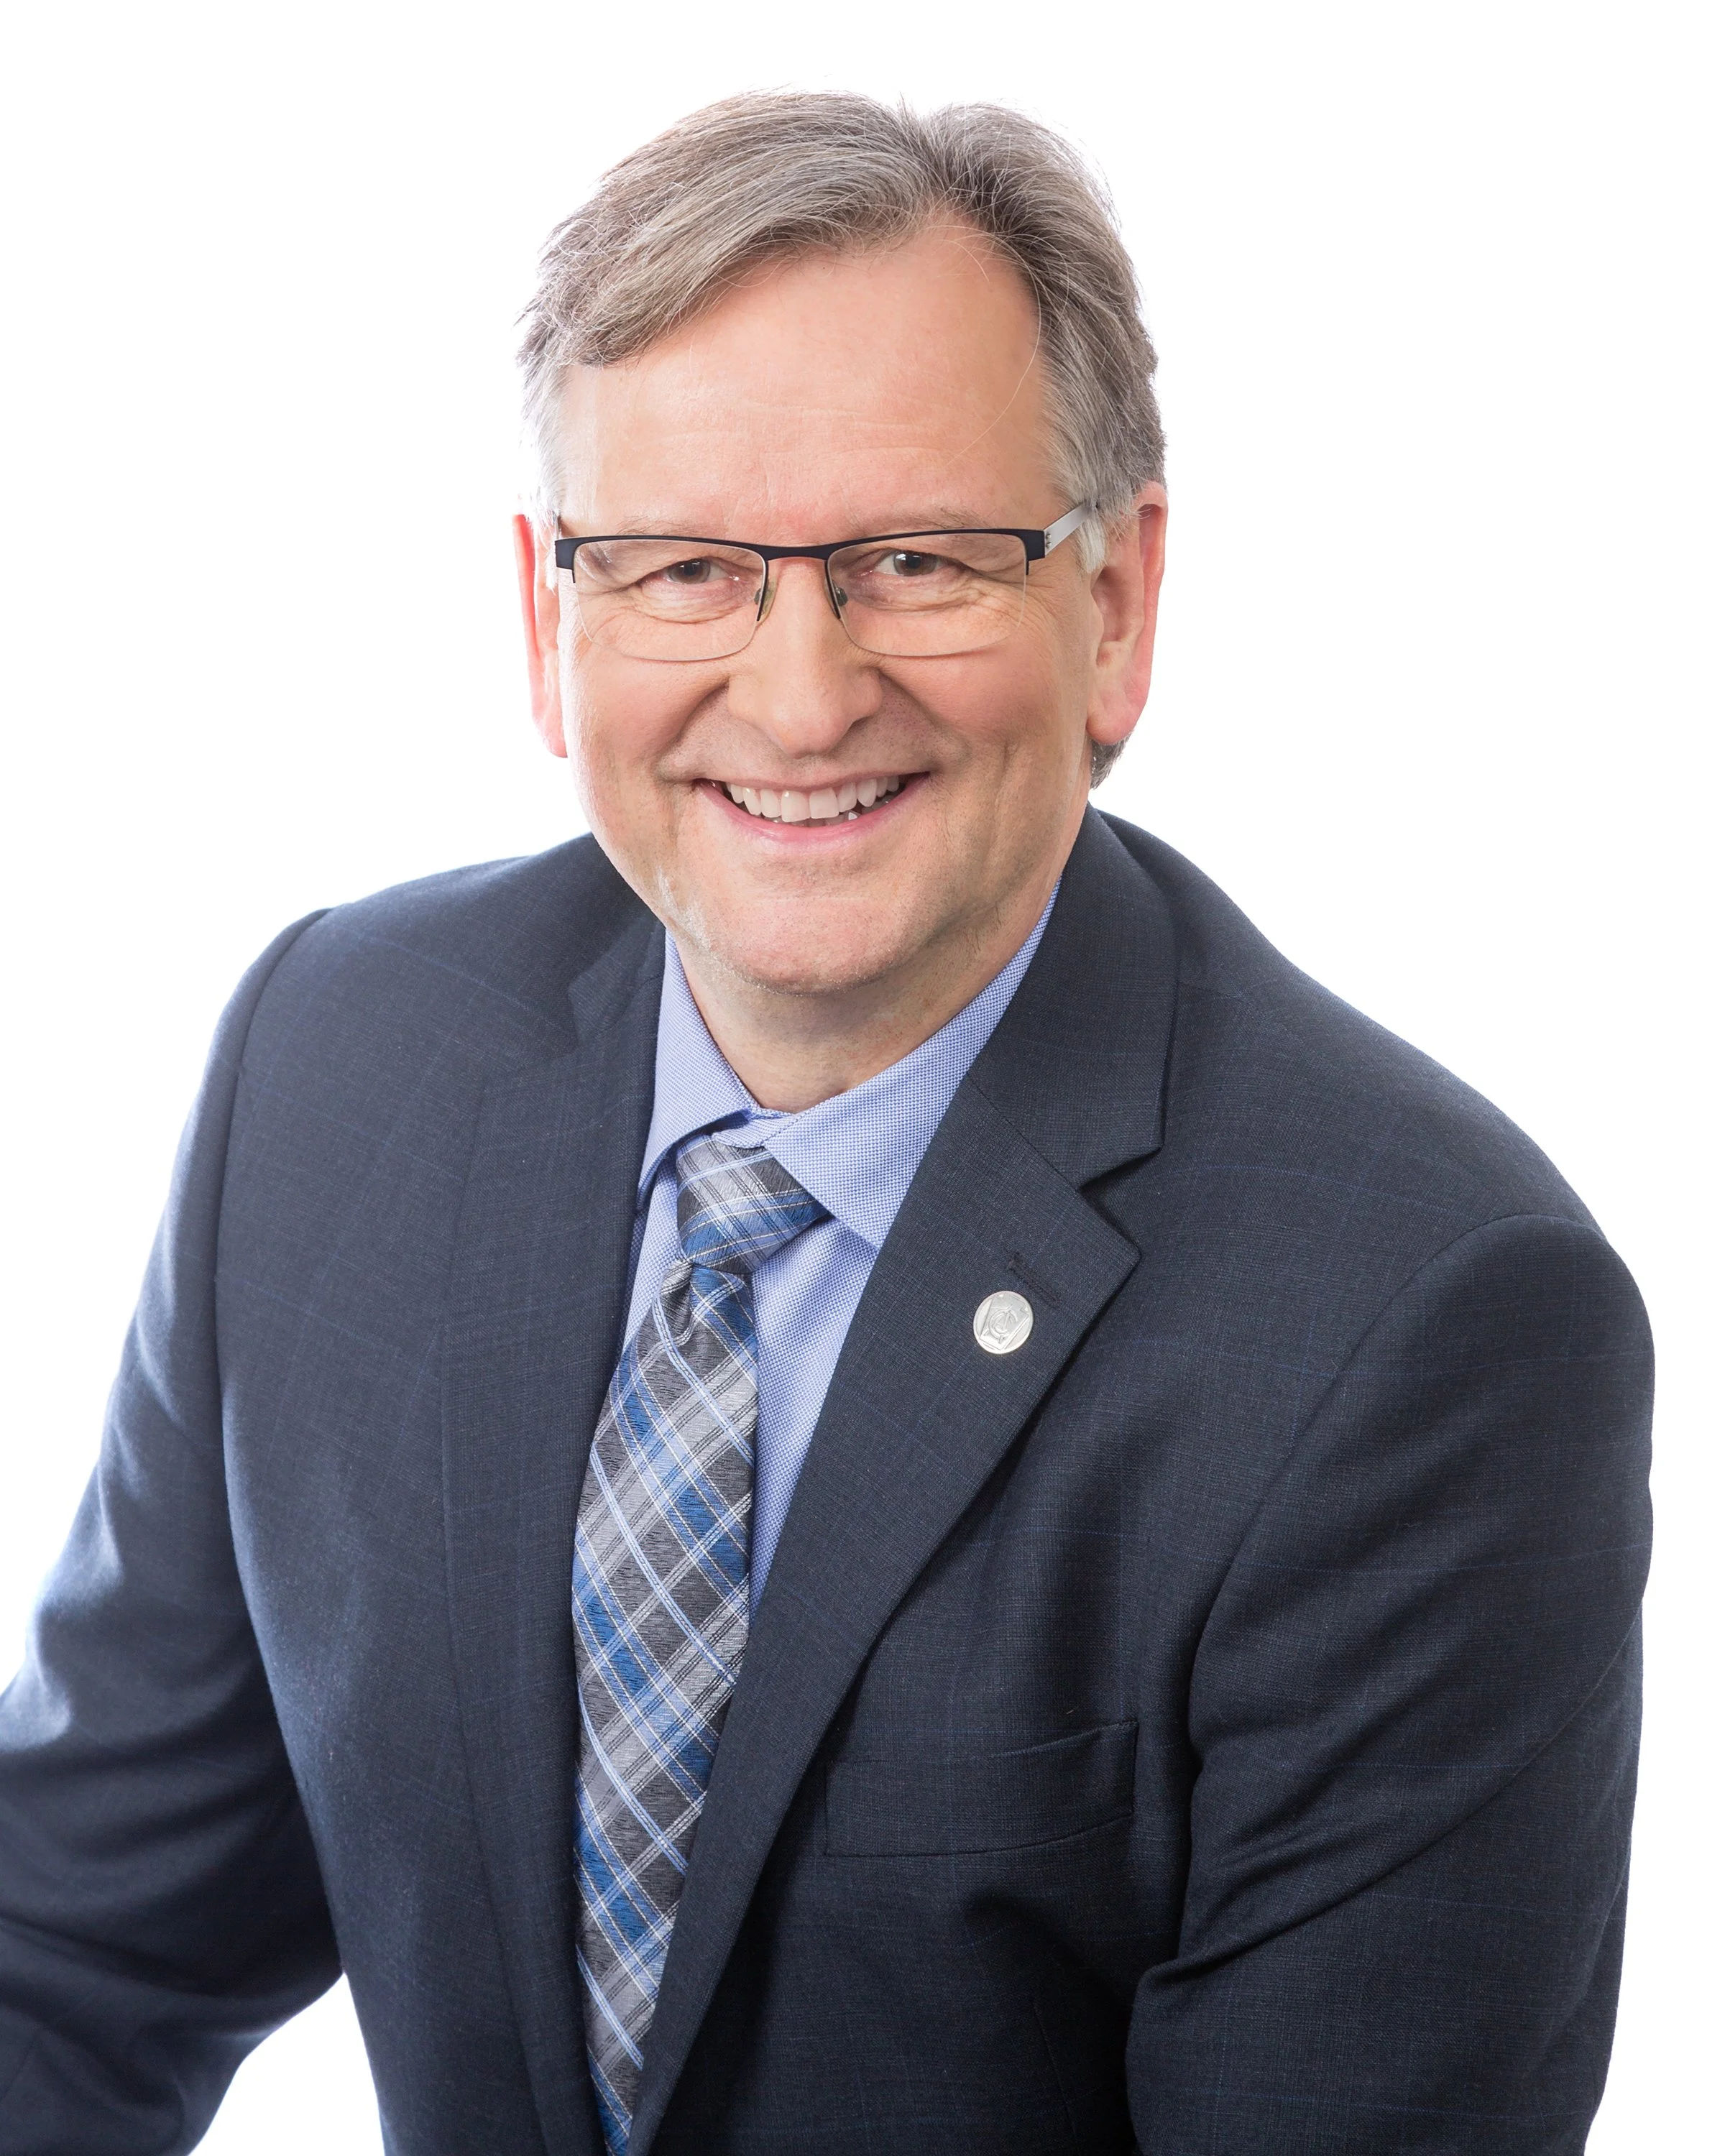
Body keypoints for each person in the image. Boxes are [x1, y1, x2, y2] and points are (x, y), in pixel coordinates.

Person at [0, 91, 1652, 2156]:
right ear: (549, 617)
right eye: (686, 568)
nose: (797, 697)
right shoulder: (334, 1064)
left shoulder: (1421, 1325)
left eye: (915, 561)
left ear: (1118, 602)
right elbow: (73, 1945)